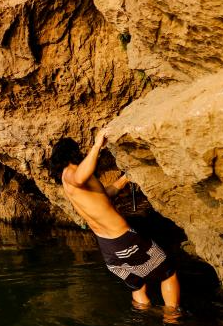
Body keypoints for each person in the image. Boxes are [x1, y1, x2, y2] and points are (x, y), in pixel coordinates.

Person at [50, 131, 180, 308]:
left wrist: (126, 178)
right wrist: (97, 145)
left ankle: (143, 320)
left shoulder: (67, 183)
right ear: (73, 153)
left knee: (138, 285)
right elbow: (80, 177)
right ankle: (172, 323)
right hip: (124, 240)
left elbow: (104, 196)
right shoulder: (71, 173)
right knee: (168, 273)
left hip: (108, 248)